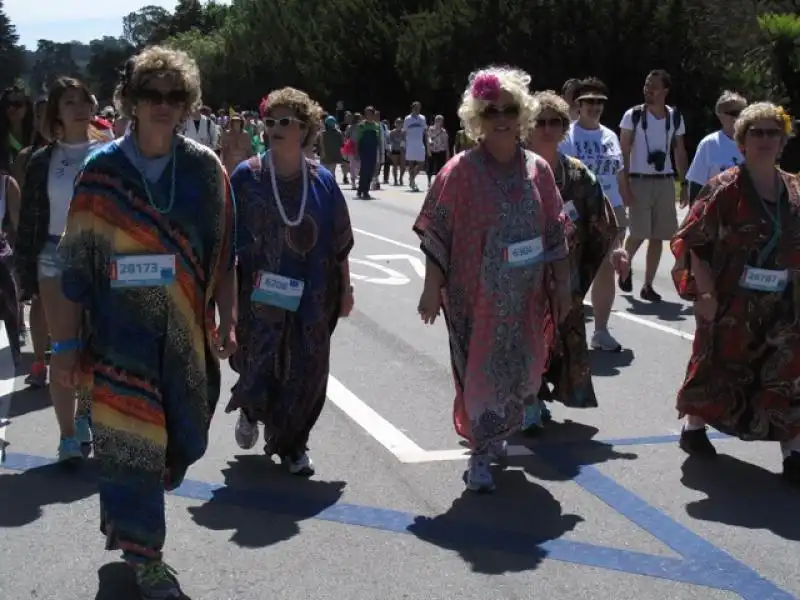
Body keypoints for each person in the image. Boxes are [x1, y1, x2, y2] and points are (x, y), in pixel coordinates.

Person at [54, 47, 237, 597]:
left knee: (179, 441)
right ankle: (145, 553)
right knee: (133, 441)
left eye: (174, 96)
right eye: (151, 94)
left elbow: (225, 254)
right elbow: (74, 268)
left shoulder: (206, 171)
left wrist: (229, 320)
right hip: (118, 343)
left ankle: (124, 518)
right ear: (130, 100)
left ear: (187, 104)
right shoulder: (101, 172)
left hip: (185, 343)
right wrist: (63, 346)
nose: (163, 105)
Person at [414, 66, 571, 493]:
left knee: (521, 373)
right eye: (491, 110)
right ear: (477, 116)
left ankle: (496, 431)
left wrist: (563, 284)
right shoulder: (460, 170)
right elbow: (437, 229)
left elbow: (555, 231)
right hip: (475, 300)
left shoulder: (538, 169)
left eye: (510, 109)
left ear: (522, 114)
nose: (501, 117)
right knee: (481, 374)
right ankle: (481, 451)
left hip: (525, 299)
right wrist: (432, 287)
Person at [670, 102, 800, 485]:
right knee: (718, 364)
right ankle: (694, 426)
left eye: (772, 132)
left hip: (784, 306)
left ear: (783, 140)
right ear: (741, 141)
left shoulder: (795, 189)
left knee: (789, 372)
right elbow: (694, 242)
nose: (764, 139)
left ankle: (793, 451)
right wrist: (705, 295)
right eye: (756, 133)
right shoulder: (724, 188)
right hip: (732, 300)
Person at [227, 86, 354, 476]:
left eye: (286, 121)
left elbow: (339, 239)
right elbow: (227, 242)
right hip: (258, 295)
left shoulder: (323, 181)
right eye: (270, 121)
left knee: (308, 367)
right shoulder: (246, 177)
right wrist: (225, 303)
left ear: (305, 127)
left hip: (313, 291)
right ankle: (251, 408)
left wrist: (346, 289)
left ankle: (294, 443)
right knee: (259, 360)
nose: (276, 128)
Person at [15, 77, 109, 461]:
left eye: (84, 99)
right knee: (65, 348)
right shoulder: (42, 160)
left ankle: (87, 414)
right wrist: (25, 269)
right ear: (56, 111)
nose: (79, 107)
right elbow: (31, 220)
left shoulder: (112, 153)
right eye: (69, 102)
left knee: (98, 346)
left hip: (101, 256)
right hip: (54, 254)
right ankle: (68, 435)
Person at [524, 90, 625, 431]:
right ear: (527, 126)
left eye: (555, 122)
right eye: (540, 122)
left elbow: (603, 216)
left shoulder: (579, 175)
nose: (548, 129)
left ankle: (538, 395)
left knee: (559, 341)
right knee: (527, 337)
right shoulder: (512, 172)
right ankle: (529, 400)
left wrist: (617, 249)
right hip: (523, 275)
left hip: (567, 275)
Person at [559, 77, 632, 352]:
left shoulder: (610, 136)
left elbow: (617, 174)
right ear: (577, 104)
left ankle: (600, 332)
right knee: (571, 272)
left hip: (611, 210)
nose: (594, 107)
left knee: (606, 269)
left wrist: (624, 205)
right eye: (589, 101)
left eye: (599, 102)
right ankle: (562, 330)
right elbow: (562, 177)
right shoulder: (568, 136)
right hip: (579, 210)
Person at [619, 69, 688, 302]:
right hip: (638, 180)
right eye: (647, 85)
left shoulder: (674, 117)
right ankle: (624, 267)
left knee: (659, 235)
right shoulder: (634, 115)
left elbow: (679, 150)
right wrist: (625, 183)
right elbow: (624, 150)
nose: (649, 90)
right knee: (638, 232)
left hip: (665, 181)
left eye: (654, 86)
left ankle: (648, 285)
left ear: (665, 91)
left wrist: (684, 181)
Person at [685, 91, 747, 205]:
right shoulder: (709, 144)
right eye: (734, 113)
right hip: (716, 211)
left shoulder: (754, 142)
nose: (739, 117)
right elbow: (696, 184)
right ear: (720, 115)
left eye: (743, 112)